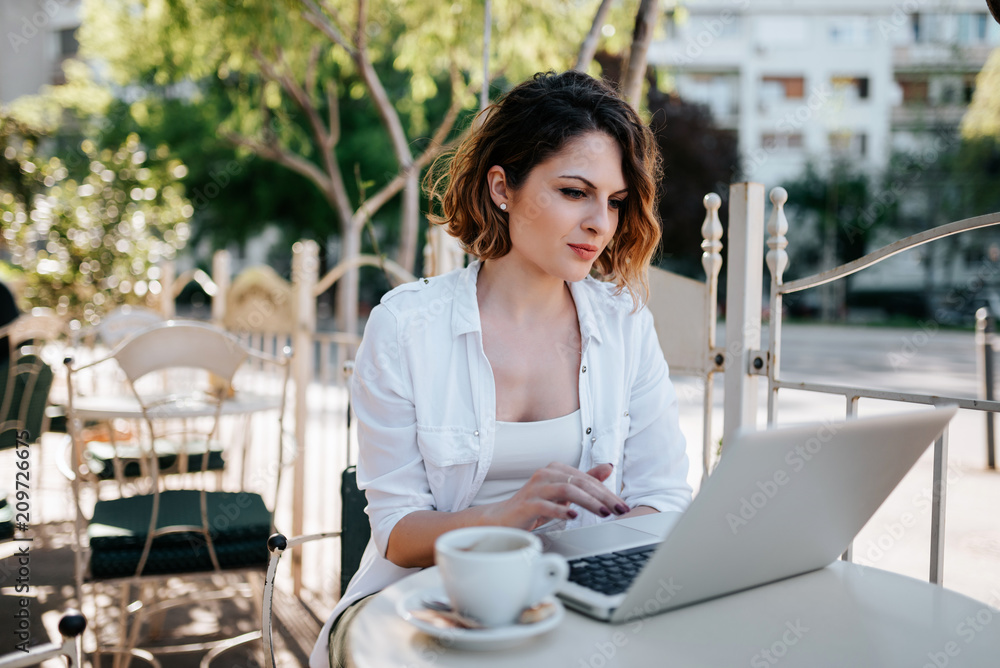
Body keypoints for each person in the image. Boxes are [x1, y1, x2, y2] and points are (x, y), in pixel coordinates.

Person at [310, 70, 692, 668]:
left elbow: (662, 497)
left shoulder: (624, 325)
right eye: (574, 191)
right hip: (415, 604)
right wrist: (503, 518)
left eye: (615, 201)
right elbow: (398, 533)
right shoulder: (408, 326)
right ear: (501, 188)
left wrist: (587, 568)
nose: (601, 222)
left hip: (567, 601)